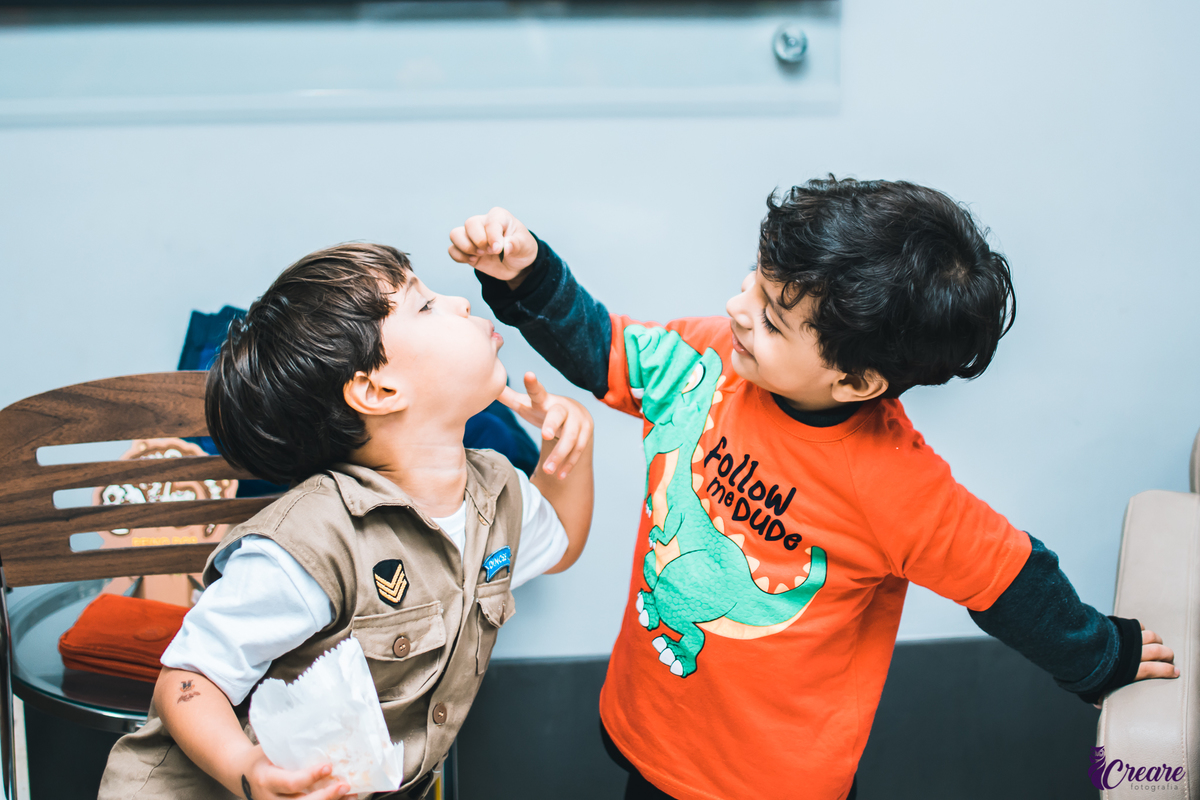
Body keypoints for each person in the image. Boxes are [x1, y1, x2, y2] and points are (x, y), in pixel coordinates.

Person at [448, 179, 1179, 800]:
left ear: (856, 381)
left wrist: (1102, 658)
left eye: (771, 318)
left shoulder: (898, 487)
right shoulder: (709, 361)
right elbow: (603, 347)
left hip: (774, 782)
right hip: (654, 731)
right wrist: (527, 275)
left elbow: (1011, 579)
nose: (738, 307)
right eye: (753, 279)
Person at [99, 242, 595, 800]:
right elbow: (187, 679)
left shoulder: (496, 492)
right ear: (378, 390)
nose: (460, 302)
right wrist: (249, 769)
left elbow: (560, 540)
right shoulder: (309, 542)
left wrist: (570, 447)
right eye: (425, 305)